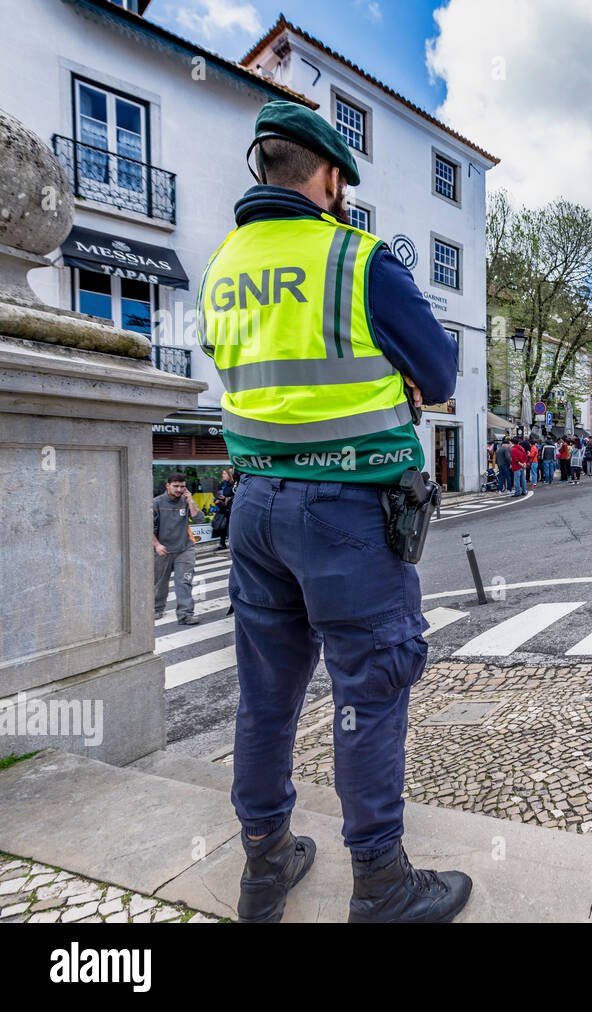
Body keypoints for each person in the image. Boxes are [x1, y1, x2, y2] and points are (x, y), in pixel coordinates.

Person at [199, 102, 468, 923]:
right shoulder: (357, 258)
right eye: (342, 180)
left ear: (262, 172)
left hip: (254, 508)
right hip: (348, 512)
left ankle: (265, 866)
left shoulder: (220, 268)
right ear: (328, 176)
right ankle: (382, 885)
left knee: (266, 695)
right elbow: (442, 372)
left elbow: (248, 367)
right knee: (372, 683)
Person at [153, 472, 204, 624]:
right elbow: (147, 527)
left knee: (184, 582)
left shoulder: (185, 501)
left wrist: (190, 500)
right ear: (167, 485)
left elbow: (198, 518)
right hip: (163, 550)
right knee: (160, 583)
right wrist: (156, 545)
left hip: (185, 549)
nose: (179, 489)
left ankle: (185, 614)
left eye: (182, 486)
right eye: (175, 486)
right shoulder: (157, 503)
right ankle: (157, 608)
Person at [213, 467, 236, 550]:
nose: (222, 475)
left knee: (230, 527)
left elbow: (231, 495)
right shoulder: (222, 484)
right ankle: (222, 544)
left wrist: (226, 498)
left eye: (224, 474)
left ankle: (232, 544)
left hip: (230, 509)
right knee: (222, 527)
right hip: (222, 509)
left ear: (229, 475)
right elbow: (217, 495)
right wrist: (217, 500)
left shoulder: (233, 485)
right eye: (222, 473)